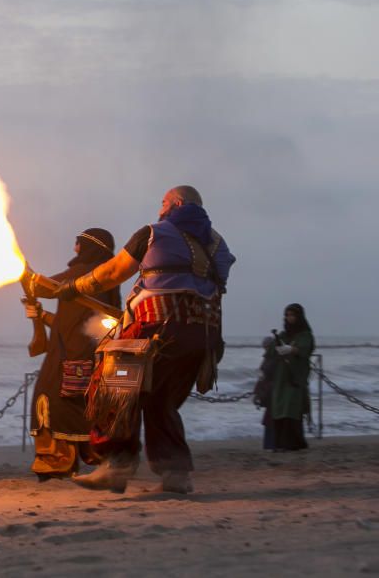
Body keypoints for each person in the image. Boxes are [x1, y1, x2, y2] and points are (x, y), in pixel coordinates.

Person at [26, 185, 235, 494]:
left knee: (115, 390)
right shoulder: (217, 244)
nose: (160, 208)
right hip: (202, 337)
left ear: (176, 203)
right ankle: (175, 473)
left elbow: (112, 273)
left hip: (155, 331)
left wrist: (74, 287)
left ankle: (116, 465)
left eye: (163, 202)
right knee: (161, 401)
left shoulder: (153, 233)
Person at [23, 229, 121, 481]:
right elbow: (73, 321)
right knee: (83, 405)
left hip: (69, 353)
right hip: (94, 352)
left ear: (87, 246)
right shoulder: (108, 277)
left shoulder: (83, 273)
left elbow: (44, 288)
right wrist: (41, 316)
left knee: (50, 402)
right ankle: (101, 455)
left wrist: (23, 272)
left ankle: (56, 462)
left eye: (78, 242)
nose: (74, 246)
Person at [260, 304, 314, 451]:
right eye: (287, 315)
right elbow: (270, 353)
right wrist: (275, 347)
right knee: (279, 409)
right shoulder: (283, 335)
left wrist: (291, 349)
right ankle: (278, 444)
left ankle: (293, 444)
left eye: (292, 315)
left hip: (294, 378)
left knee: (291, 408)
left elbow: (304, 349)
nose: (290, 318)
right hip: (280, 379)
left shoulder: (305, 334)